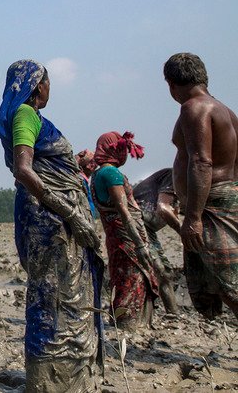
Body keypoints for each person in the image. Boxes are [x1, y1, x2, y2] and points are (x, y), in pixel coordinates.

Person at [0, 60, 102, 393]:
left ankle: (61, 377)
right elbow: (24, 169)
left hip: (50, 215)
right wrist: (70, 212)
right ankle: (50, 380)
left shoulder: (33, 118)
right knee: (55, 294)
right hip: (49, 219)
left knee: (58, 293)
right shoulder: (26, 115)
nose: (49, 88)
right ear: (38, 85)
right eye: (48, 82)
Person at [165, 52, 238, 319]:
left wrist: (194, 217)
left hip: (211, 206)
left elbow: (201, 161)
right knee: (218, 284)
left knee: (231, 285)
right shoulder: (225, 110)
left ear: (171, 84)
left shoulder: (194, 108)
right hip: (224, 198)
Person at [89, 131, 160, 329]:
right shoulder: (111, 173)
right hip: (126, 235)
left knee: (122, 278)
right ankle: (128, 325)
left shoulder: (96, 175)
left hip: (114, 235)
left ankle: (124, 323)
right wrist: (140, 244)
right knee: (133, 278)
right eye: (123, 149)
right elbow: (124, 211)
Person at [131, 167, 182, 314]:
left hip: (148, 229)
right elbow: (163, 209)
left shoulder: (183, 183)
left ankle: (172, 313)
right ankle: (160, 312)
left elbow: (175, 210)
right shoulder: (175, 175)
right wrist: (183, 232)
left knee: (164, 271)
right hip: (137, 225)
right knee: (157, 269)